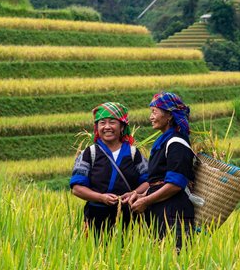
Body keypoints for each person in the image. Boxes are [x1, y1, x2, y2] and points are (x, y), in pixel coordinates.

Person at [70, 102, 149, 236]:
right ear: (97, 127)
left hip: (130, 219)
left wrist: (134, 193)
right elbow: (77, 188)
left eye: (112, 122)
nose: (107, 127)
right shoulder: (90, 153)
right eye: (102, 123)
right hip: (96, 219)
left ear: (122, 126)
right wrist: (101, 198)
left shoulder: (133, 153)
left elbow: (149, 181)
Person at [129, 92, 195, 250]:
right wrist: (141, 195)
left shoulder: (176, 143)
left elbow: (175, 184)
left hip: (174, 215)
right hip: (161, 213)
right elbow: (159, 181)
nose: (151, 117)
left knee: (173, 265)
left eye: (154, 112)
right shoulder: (164, 142)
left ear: (169, 116)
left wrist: (146, 201)